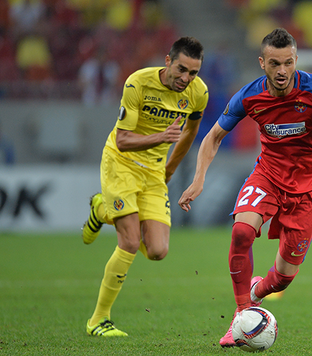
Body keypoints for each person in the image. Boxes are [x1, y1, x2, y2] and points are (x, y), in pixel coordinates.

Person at [177, 28, 312, 348]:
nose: (283, 71)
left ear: (296, 61)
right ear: (262, 63)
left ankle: (256, 292)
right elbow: (213, 137)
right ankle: (242, 313)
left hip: (308, 186)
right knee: (241, 232)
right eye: (275, 63)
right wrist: (199, 179)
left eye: (289, 63)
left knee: (283, 277)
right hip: (267, 175)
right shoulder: (249, 96)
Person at [81, 36, 209, 336]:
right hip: (121, 164)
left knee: (157, 251)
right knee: (127, 242)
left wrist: (170, 168)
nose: (186, 78)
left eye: (193, 72)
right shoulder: (137, 83)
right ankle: (98, 320)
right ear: (168, 61)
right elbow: (123, 140)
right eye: (181, 69)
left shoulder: (197, 93)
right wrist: (159, 139)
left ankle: (102, 210)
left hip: (154, 172)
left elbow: (191, 130)